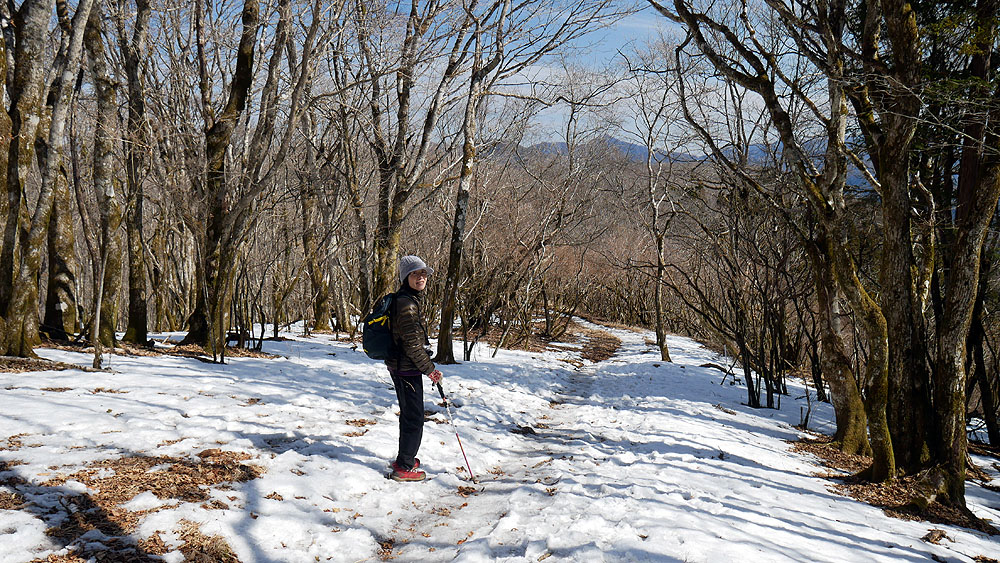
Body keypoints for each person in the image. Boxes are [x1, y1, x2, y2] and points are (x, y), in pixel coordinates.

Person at [386, 255, 443, 482]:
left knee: (409, 415)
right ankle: (404, 467)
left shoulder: (406, 299)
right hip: (406, 368)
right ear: (405, 277)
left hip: (403, 365)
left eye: (423, 273)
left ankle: (404, 458)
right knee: (414, 418)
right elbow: (411, 344)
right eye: (415, 274)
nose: (421, 278)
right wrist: (429, 369)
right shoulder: (407, 304)